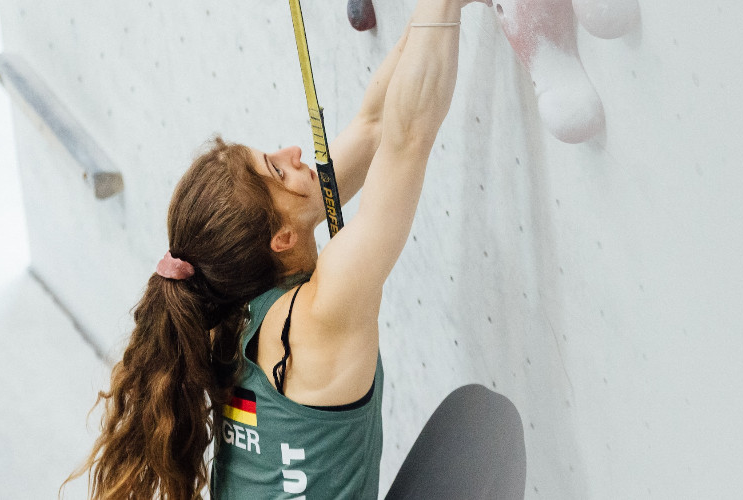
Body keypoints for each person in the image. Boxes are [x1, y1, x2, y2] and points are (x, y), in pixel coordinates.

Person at [67, 1, 483, 499]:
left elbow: (374, 126)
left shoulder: (235, 306)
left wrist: (430, 13)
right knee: (485, 432)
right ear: (281, 239)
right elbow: (408, 138)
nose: (294, 153)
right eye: (277, 168)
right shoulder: (316, 319)